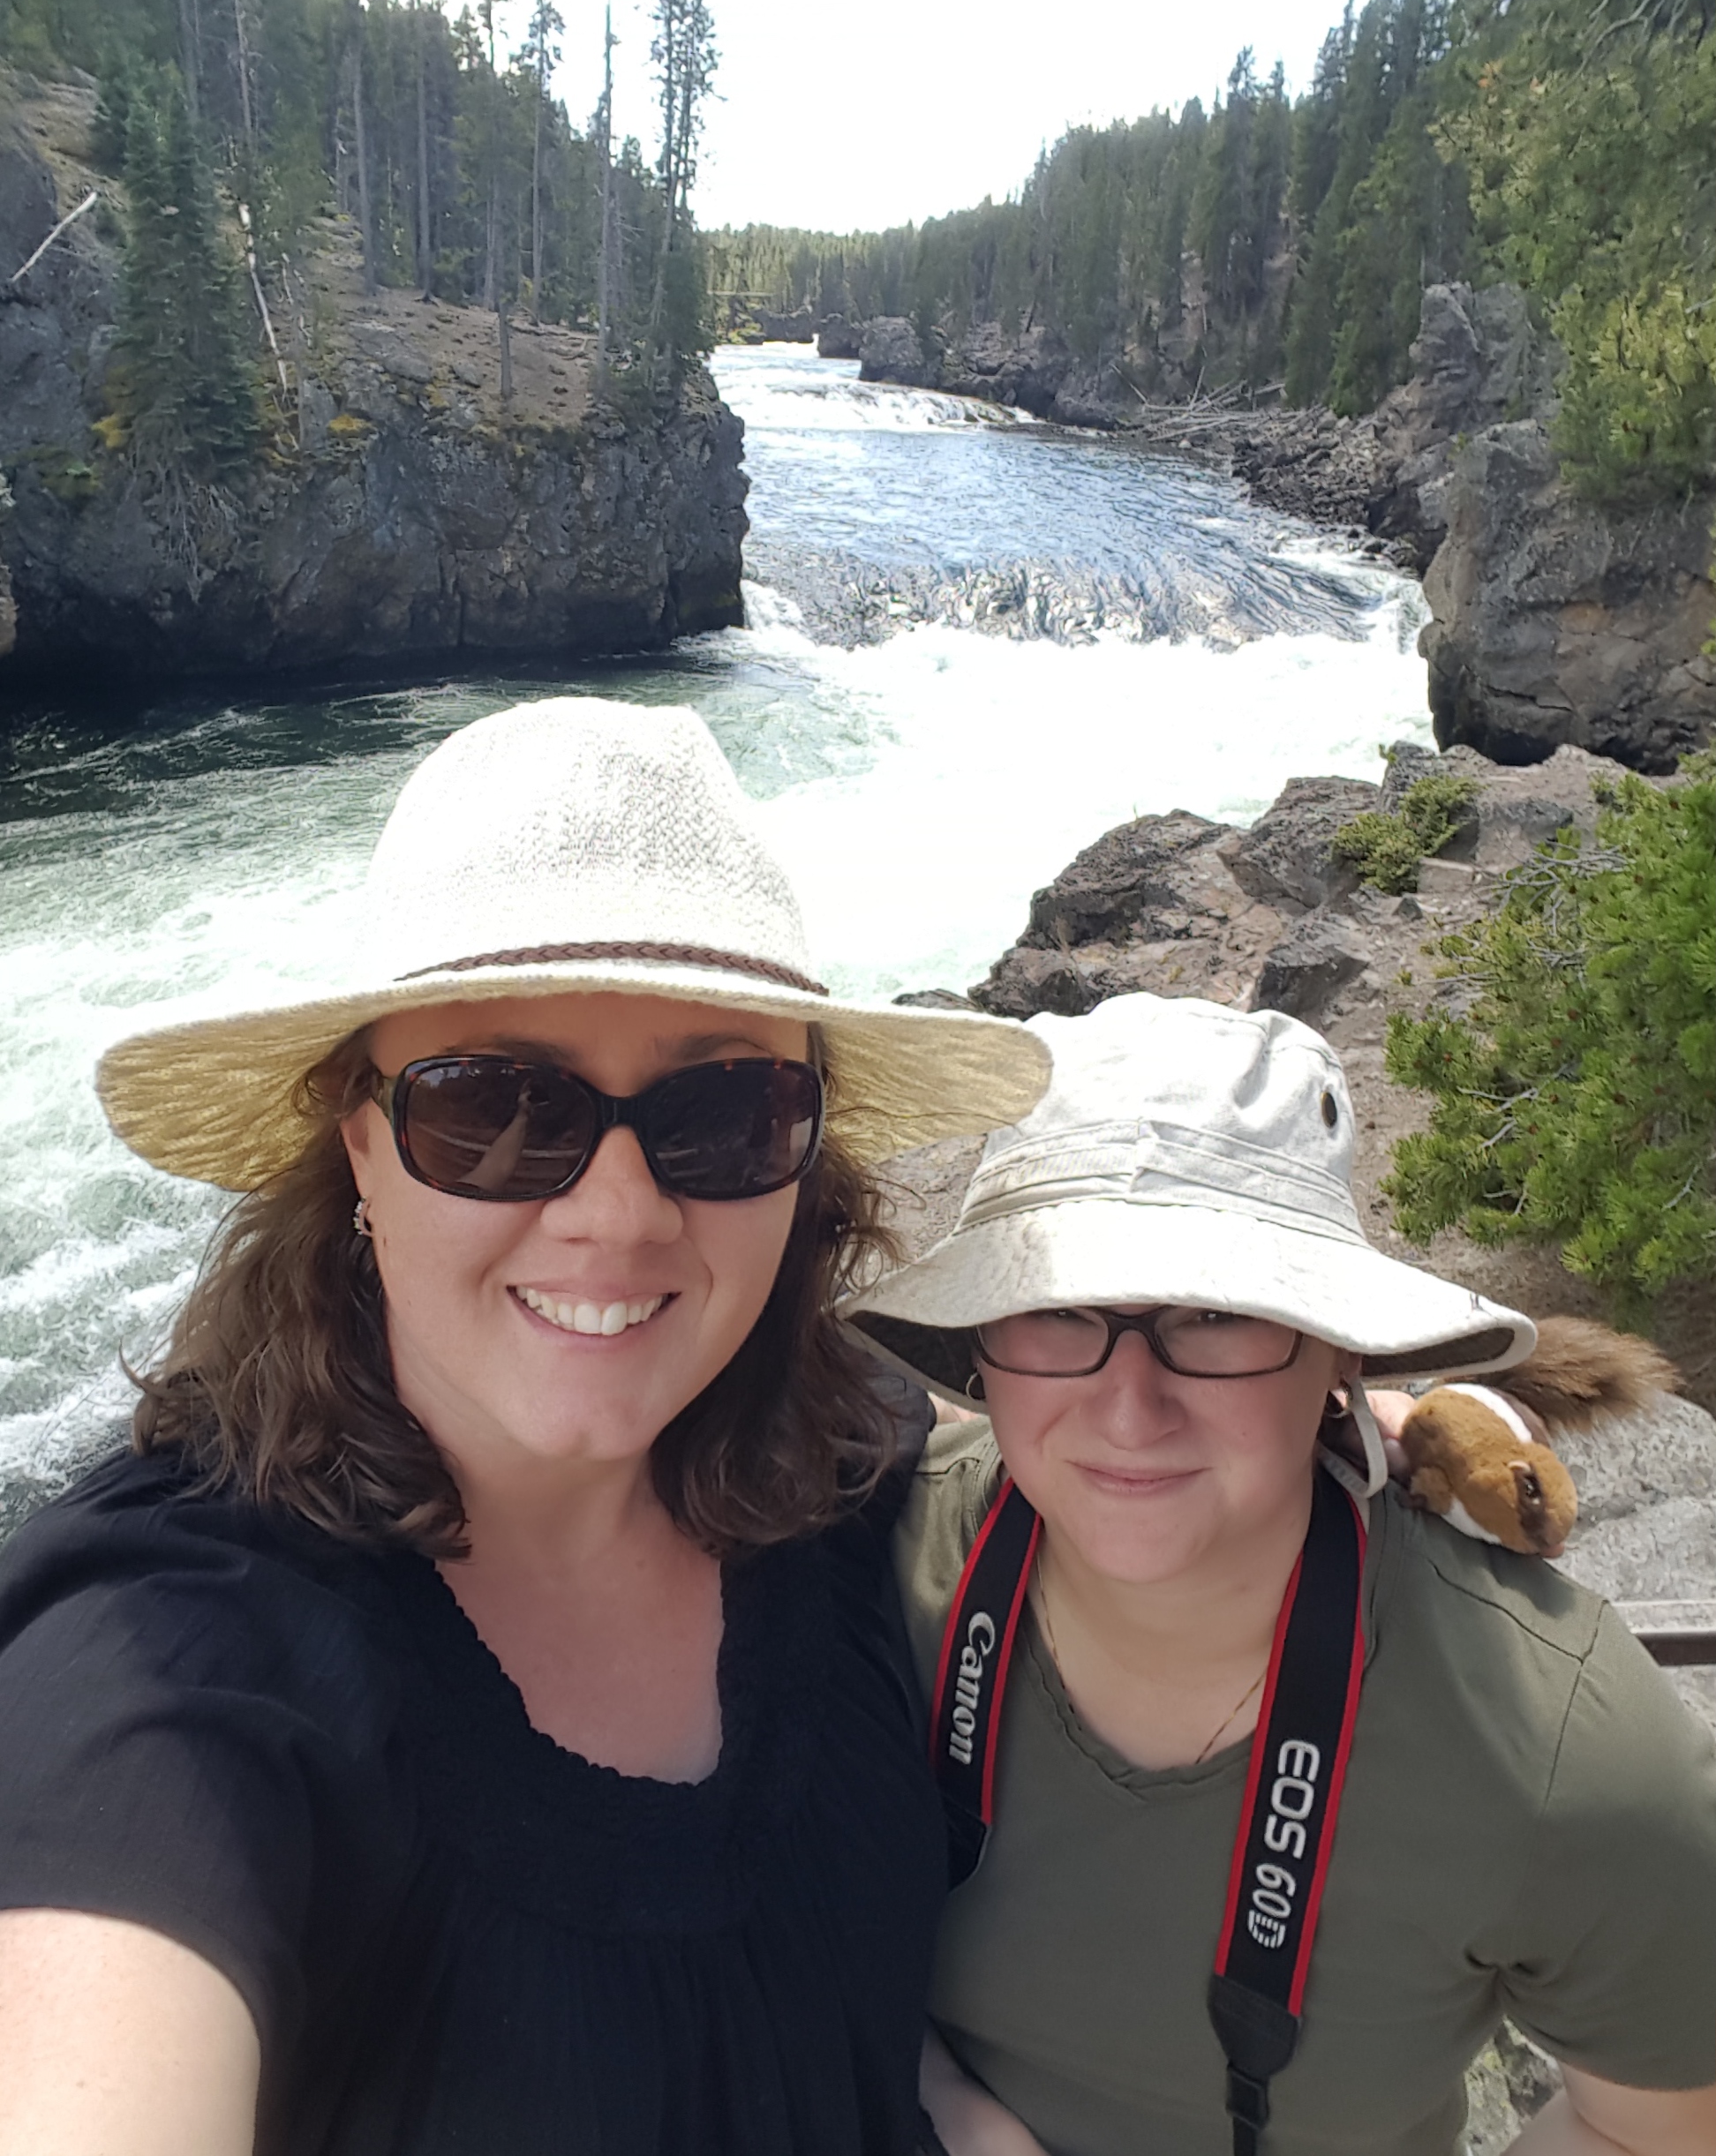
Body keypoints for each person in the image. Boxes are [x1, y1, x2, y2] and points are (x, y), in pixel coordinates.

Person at [0, 696, 1051, 2156]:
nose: (619, 1211)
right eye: (493, 1107)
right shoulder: (170, 1653)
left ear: (803, 1163)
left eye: (727, 1113)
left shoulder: (841, 1467)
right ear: (360, 1148)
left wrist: (1339, 1414)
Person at [847, 992, 1716, 2156]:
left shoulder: (1559, 1743)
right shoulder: (860, 1568)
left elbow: (1655, 2126)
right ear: (981, 1343)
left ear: (1336, 1348)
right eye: (1056, 1309)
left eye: (1217, 1315)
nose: (1129, 1406)